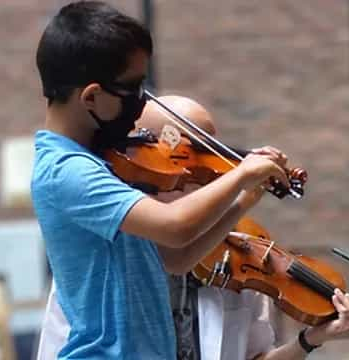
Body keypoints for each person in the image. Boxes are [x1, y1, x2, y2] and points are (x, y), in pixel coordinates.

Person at [32, 1, 291, 359]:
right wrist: (241, 173)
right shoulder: (66, 171)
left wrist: (244, 199)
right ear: (91, 96)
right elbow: (175, 227)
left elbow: (177, 258)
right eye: (132, 89)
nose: (141, 103)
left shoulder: (98, 162)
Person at [36, 95, 349, 360]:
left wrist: (312, 340)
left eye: (211, 159)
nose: (211, 175)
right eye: (188, 160)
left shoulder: (240, 259)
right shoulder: (95, 270)